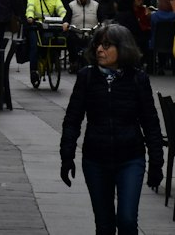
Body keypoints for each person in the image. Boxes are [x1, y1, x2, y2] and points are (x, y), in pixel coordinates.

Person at [60, 22, 164, 235]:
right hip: (95, 159)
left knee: (127, 220)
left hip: (130, 158)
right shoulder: (87, 77)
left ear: (122, 48)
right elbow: (73, 119)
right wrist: (67, 156)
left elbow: (150, 123)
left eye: (107, 45)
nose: (100, 49)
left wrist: (156, 163)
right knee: (104, 224)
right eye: (98, 44)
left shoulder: (137, 79)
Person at [25, 0, 67, 87]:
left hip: (49, 24)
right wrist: (30, 17)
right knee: (34, 46)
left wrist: (64, 18)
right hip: (36, 24)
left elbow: (60, 8)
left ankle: (53, 60)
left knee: (55, 42)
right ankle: (34, 71)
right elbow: (30, 7)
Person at [66, 0, 99, 69]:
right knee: (70, 39)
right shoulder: (71, 5)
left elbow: (101, 18)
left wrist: (102, 24)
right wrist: (65, 24)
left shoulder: (96, 5)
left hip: (91, 33)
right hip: (76, 32)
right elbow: (67, 18)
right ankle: (73, 61)